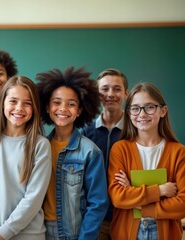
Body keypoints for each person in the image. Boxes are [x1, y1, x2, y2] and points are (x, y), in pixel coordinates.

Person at [0, 76, 52, 240]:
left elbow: (34, 197)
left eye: (27, 103)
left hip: (28, 235)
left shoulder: (40, 145)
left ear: (34, 107)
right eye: (13, 101)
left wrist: (3, 233)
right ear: (3, 104)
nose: (19, 108)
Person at [108, 82, 185, 239]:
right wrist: (160, 191)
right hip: (127, 232)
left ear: (163, 111)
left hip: (165, 233)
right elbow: (118, 197)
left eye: (150, 107)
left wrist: (135, 198)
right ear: (128, 113)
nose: (142, 114)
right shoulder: (120, 149)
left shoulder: (178, 152)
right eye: (135, 108)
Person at [36, 66, 109, 239]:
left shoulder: (90, 152)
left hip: (74, 233)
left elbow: (98, 203)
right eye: (56, 102)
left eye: (71, 104)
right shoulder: (38, 147)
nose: (63, 108)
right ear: (47, 107)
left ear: (80, 111)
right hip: (38, 230)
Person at [80, 68, 129, 239]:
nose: (110, 94)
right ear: (97, 93)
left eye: (117, 89)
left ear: (126, 94)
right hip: (94, 218)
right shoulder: (85, 132)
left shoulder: (135, 130)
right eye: (105, 89)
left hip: (126, 217)